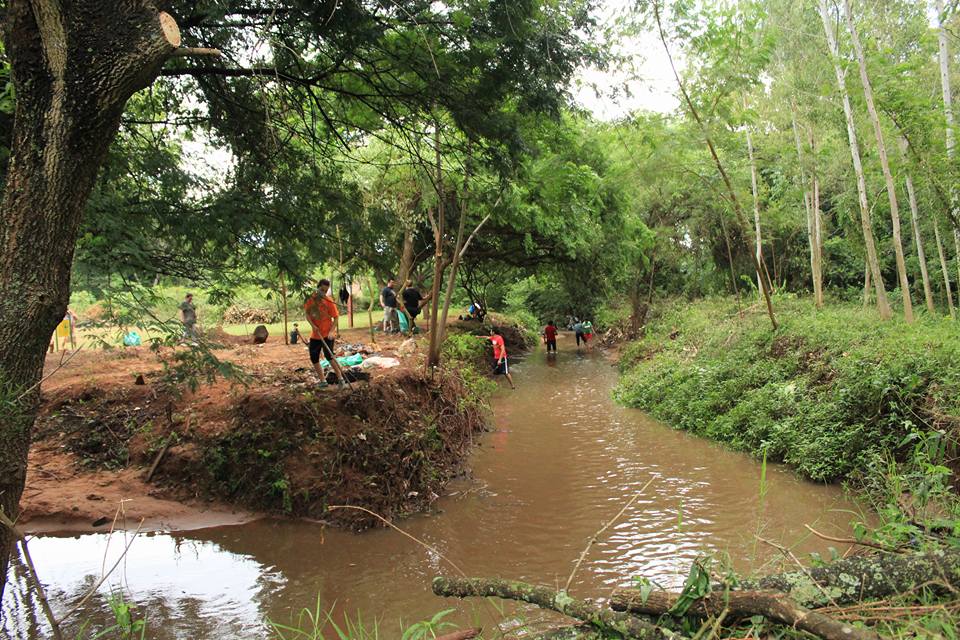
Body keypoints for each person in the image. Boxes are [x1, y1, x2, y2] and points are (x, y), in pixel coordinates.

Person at [304, 279, 346, 387]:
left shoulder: (328, 301)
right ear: (317, 287)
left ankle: (341, 379)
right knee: (314, 357)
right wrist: (313, 326)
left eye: (325, 291)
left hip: (327, 334)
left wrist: (332, 331)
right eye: (322, 290)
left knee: (329, 356)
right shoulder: (310, 299)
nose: (323, 292)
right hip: (315, 335)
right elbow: (307, 314)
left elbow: (336, 317)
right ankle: (323, 381)